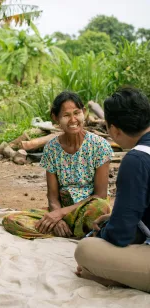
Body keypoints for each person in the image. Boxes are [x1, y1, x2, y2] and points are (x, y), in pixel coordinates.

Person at [3, 91, 113, 239]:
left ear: (84, 113)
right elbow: (53, 196)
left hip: (88, 210)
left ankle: (72, 231)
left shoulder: (99, 145)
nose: (73, 120)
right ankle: (75, 232)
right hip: (60, 211)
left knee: (100, 208)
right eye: (66, 115)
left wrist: (60, 213)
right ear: (56, 118)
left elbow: (100, 195)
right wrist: (57, 218)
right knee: (10, 220)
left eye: (77, 113)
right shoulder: (51, 148)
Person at [75, 87, 150, 293]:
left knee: (86, 250)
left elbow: (121, 235)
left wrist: (103, 234)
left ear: (115, 130)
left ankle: (117, 278)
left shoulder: (136, 160)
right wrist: (114, 218)